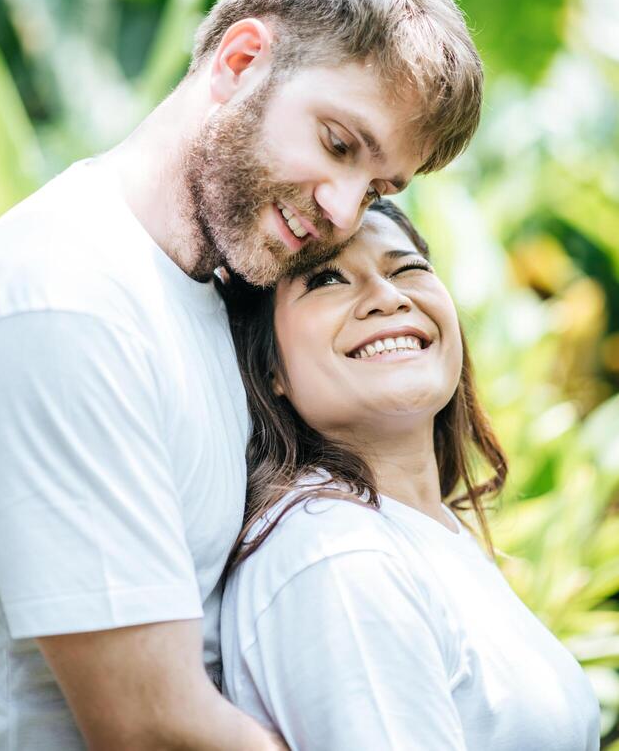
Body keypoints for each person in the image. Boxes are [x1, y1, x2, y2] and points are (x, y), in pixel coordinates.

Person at [0, 0, 483, 750]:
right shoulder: (66, 296)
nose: (345, 212)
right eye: (339, 144)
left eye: (379, 188)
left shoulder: (211, 293)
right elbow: (147, 725)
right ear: (241, 60)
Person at [221, 198, 601, 751]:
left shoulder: (418, 530)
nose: (387, 296)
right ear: (270, 365)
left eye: (408, 268)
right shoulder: (336, 556)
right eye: (326, 278)